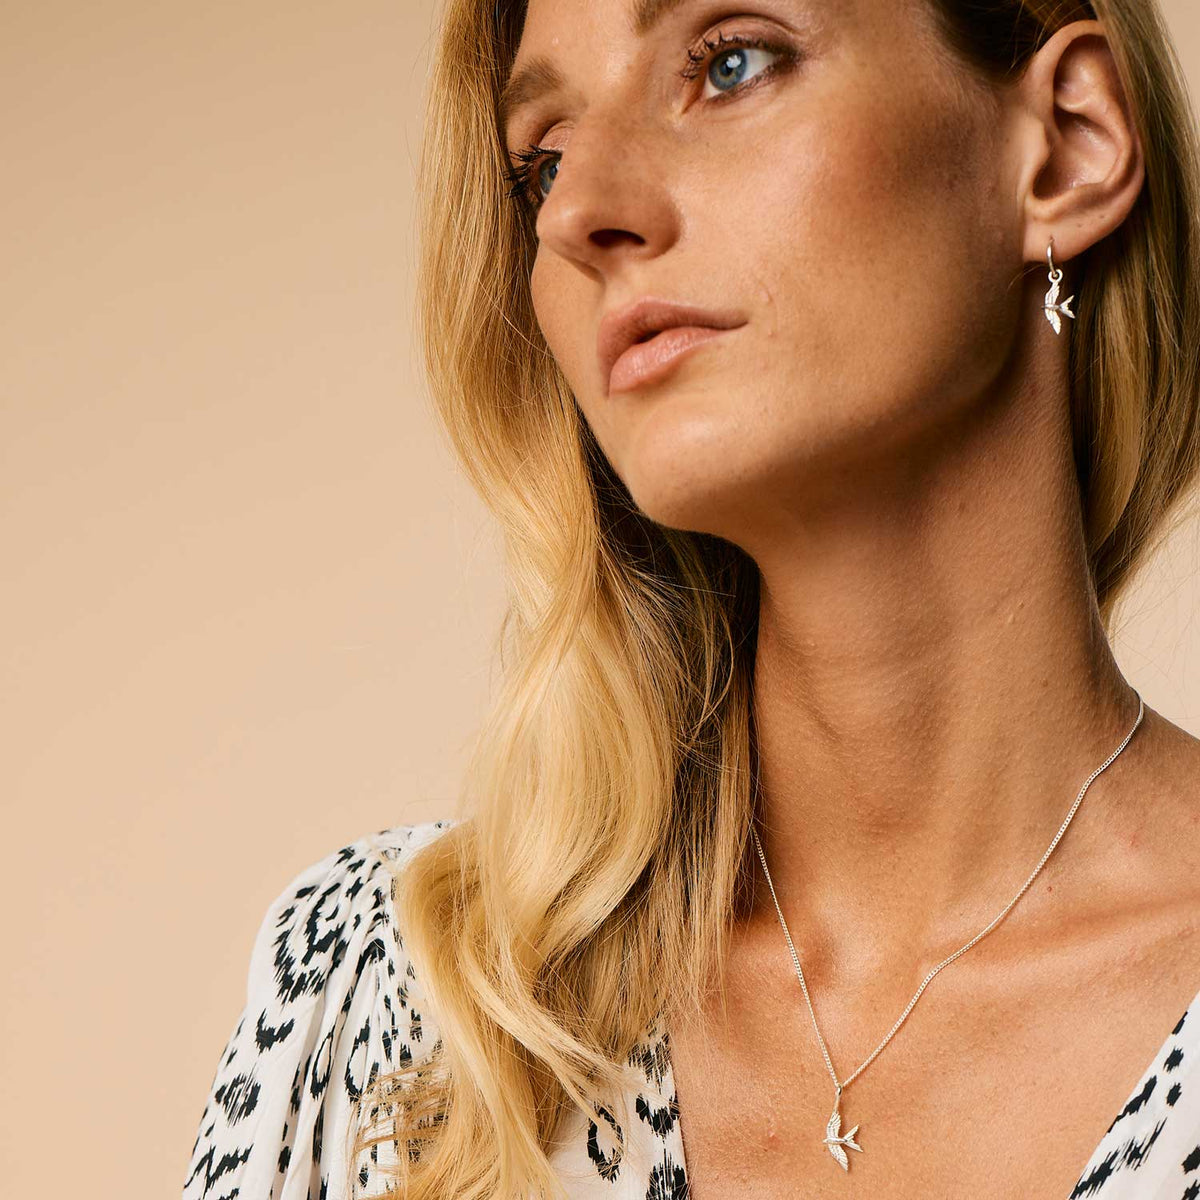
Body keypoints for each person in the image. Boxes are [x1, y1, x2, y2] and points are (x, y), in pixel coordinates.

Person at [182, 0, 1200, 1196]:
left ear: (1067, 145)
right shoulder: (399, 999)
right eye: (542, 159)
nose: (575, 211)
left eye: (730, 64)